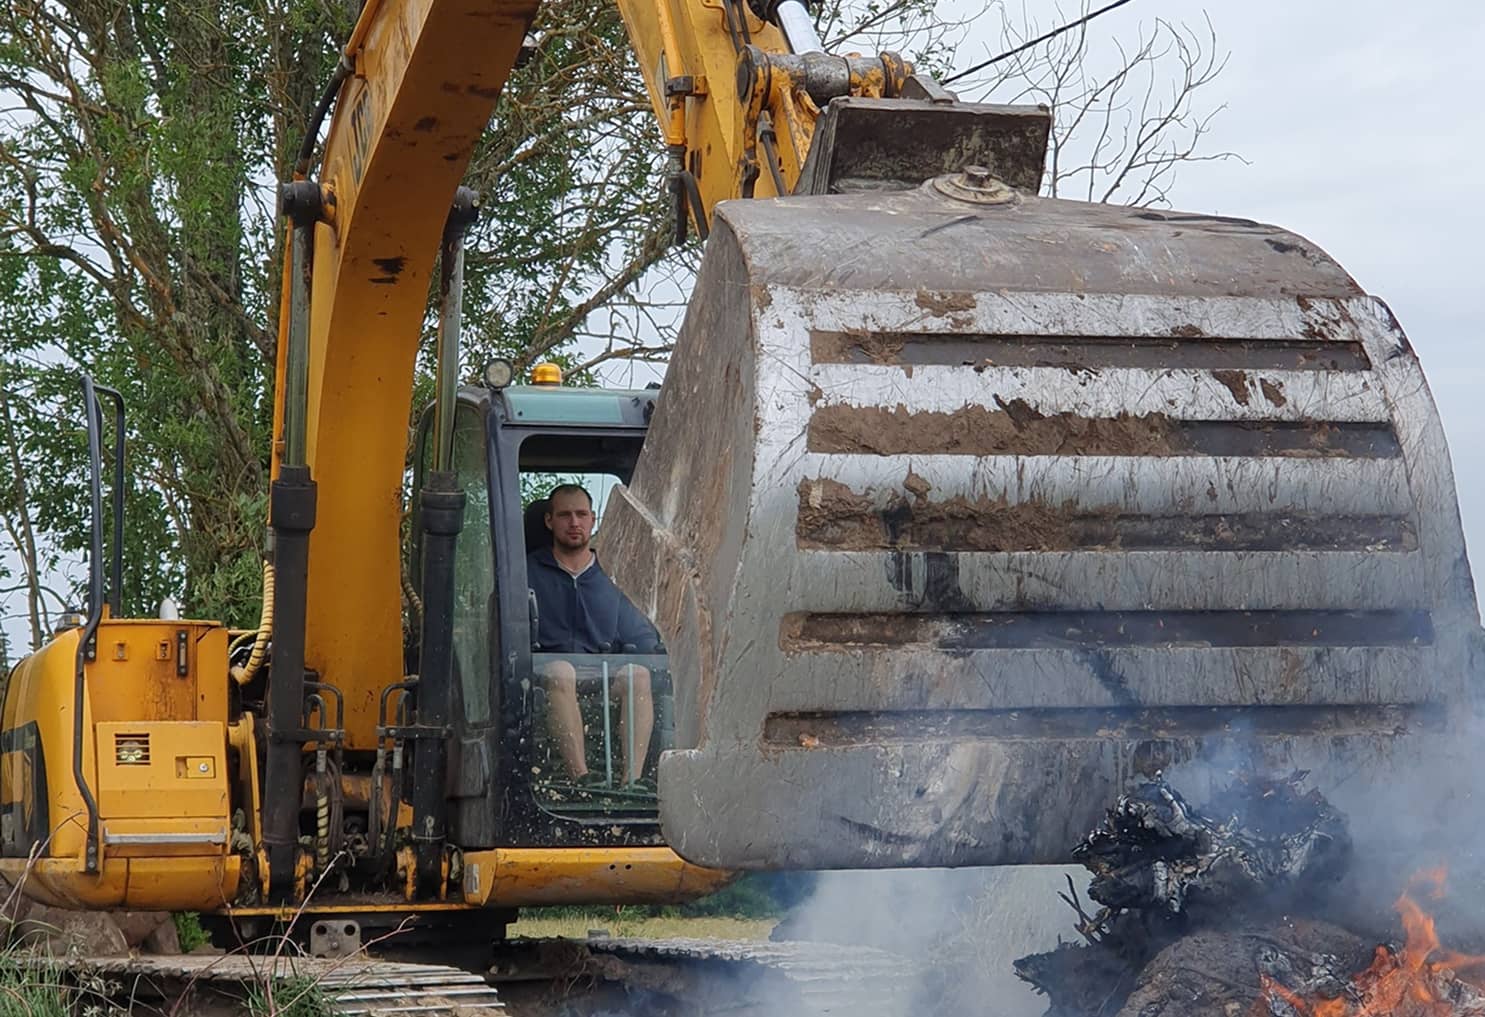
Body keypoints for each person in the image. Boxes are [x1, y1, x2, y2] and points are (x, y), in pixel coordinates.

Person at [527, 483, 655, 788]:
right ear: (549, 521)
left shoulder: (616, 574)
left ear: (593, 520)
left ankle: (631, 782)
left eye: (581, 514)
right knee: (561, 670)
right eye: (565, 515)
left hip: (603, 676)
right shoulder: (526, 572)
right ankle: (582, 780)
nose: (574, 523)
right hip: (547, 679)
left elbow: (641, 634)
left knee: (638, 674)